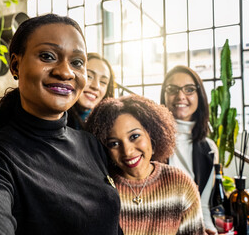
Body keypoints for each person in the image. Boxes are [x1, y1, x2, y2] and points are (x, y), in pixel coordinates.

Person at [0, 14, 122, 235]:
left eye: (77, 62)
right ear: (15, 64)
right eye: (47, 56)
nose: (65, 72)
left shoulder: (92, 145)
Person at [86, 94, 205, 235]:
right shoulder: (99, 189)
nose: (128, 151)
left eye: (134, 136)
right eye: (114, 143)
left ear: (152, 133)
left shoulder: (180, 183)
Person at [160, 65, 219, 234]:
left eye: (189, 89)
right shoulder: (148, 140)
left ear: (199, 96)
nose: (180, 96)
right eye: (172, 89)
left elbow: (203, 205)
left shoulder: (209, 148)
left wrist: (209, 229)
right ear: (164, 95)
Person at [67, 52, 115, 129]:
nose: (96, 86)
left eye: (103, 82)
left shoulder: (110, 125)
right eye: (89, 76)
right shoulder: (54, 118)